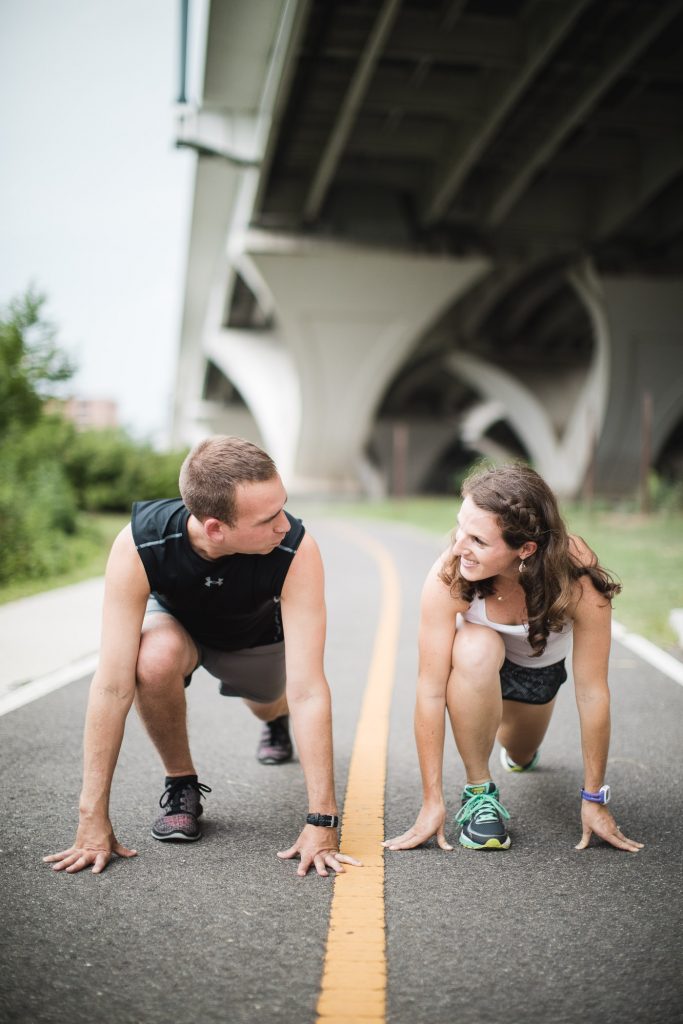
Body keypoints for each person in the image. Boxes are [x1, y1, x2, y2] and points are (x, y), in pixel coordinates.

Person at [44, 435, 360, 877]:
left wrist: (322, 822)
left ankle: (272, 720)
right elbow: (113, 684)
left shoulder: (296, 548)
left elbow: (307, 690)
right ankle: (182, 784)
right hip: (177, 627)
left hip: (253, 640)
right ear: (215, 527)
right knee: (150, 660)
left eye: (283, 507)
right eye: (269, 519)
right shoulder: (141, 544)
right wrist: (90, 817)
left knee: (272, 701)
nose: (285, 525)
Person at [384, 462, 643, 855]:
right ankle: (479, 794)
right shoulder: (450, 576)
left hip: (537, 675)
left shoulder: (577, 578)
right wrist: (431, 801)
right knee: (476, 646)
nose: (457, 547)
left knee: (520, 753)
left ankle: (517, 749)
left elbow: (593, 693)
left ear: (525, 549)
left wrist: (595, 799)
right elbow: (431, 690)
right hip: (475, 669)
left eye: (478, 540)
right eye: (460, 528)